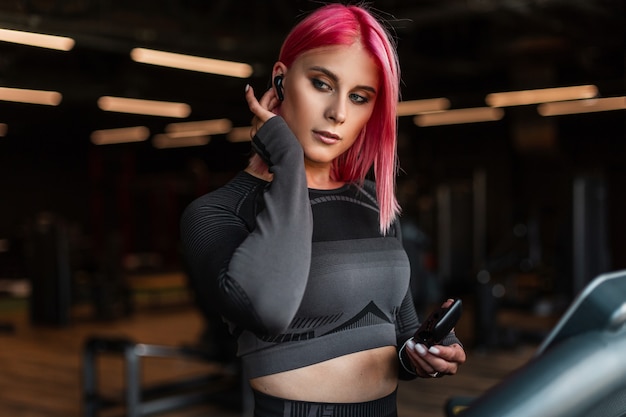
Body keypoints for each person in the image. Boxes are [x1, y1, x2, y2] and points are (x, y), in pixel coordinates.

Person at [180, 3, 466, 416]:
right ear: (280, 80)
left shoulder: (374, 203)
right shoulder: (219, 211)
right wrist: (287, 160)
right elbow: (268, 308)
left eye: (359, 96)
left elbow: (400, 337)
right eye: (321, 83)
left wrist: (424, 355)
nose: (339, 114)